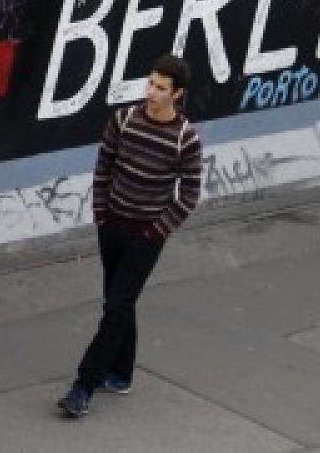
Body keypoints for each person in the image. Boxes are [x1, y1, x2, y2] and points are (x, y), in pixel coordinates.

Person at [59, 54, 203, 419]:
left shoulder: (184, 139)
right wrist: (101, 213)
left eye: (161, 88)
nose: (151, 93)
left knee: (116, 306)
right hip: (112, 226)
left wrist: (156, 231)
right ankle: (121, 373)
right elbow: (104, 166)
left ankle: (83, 386)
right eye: (150, 84)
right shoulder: (123, 120)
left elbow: (189, 194)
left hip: (145, 236)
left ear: (177, 94)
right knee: (119, 303)